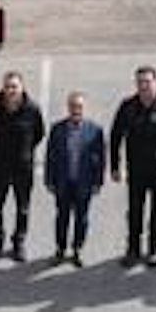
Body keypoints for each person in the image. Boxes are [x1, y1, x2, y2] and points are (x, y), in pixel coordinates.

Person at [110, 66, 156, 268]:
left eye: (147, 82)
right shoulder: (128, 106)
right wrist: (115, 166)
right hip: (136, 171)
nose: (143, 86)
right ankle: (133, 249)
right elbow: (116, 135)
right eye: (140, 82)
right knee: (135, 212)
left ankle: (153, 250)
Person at [0, 70, 47, 263]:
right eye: (8, 86)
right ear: (3, 88)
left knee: (23, 208)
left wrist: (25, 152)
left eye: (14, 86)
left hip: (23, 169)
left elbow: (39, 133)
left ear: (22, 88)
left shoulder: (32, 109)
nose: (11, 90)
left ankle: (18, 242)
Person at [44, 91, 106, 267]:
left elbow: (101, 158)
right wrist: (49, 179)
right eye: (72, 106)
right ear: (68, 107)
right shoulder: (57, 129)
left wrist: (98, 182)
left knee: (82, 218)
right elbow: (50, 156)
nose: (76, 109)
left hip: (84, 183)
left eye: (79, 106)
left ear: (84, 108)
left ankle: (78, 249)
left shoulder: (95, 130)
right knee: (61, 217)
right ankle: (60, 249)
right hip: (63, 182)